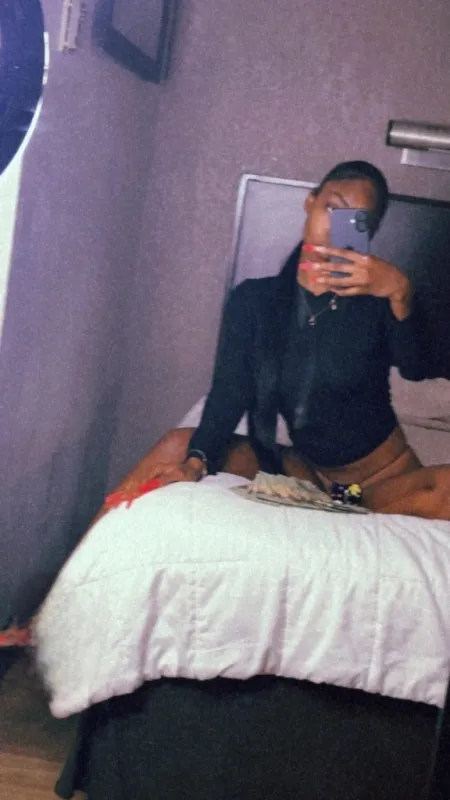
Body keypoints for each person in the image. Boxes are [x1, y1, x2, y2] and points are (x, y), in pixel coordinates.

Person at [100, 161, 450, 521]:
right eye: (333, 208)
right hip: (309, 478)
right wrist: (195, 462)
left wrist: (401, 293)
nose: (336, 229)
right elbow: (229, 392)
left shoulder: (377, 303)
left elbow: (417, 367)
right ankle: (87, 552)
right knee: (178, 445)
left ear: (368, 235)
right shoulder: (255, 301)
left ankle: (354, 511)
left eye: (355, 222)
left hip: (381, 484)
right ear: (310, 202)